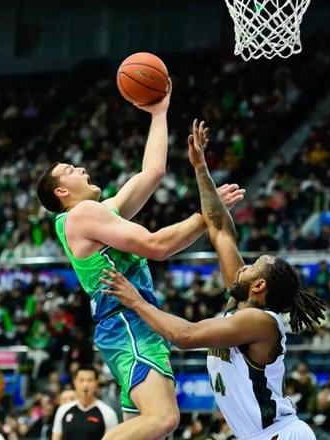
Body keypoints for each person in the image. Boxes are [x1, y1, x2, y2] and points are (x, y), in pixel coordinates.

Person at [36, 85, 244, 440]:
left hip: (132, 322)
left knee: (150, 433)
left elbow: (152, 172)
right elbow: (157, 246)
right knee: (164, 419)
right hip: (128, 323)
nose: (81, 167)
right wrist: (206, 214)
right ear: (61, 192)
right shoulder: (83, 214)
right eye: (70, 169)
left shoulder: (94, 215)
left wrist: (159, 113)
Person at [100, 120, 325, 440]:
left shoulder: (261, 322)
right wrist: (201, 168)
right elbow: (219, 229)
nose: (244, 267)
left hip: (282, 434)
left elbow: (185, 335)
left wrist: (136, 301)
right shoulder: (241, 302)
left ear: (259, 286)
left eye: (254, 266)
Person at [52, 366, 118, 440]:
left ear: (97, 382)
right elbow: (56, 437)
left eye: (90, 380)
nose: (85, 385)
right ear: (74, 382)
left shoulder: (108, 413)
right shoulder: (63, 410)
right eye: (81, 380)